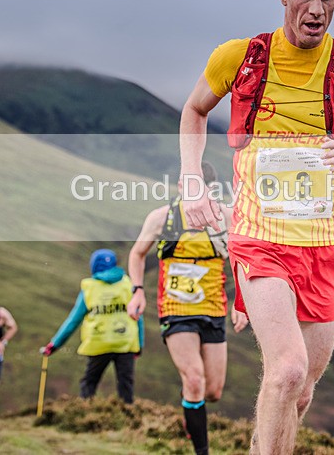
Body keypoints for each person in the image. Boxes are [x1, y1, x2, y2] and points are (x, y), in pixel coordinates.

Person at [176, 0, 334, 453]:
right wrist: (192, 181)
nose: (316, 10)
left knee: (298, 394)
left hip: (323, 248)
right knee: (286, 371)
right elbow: (193, 112)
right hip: (259, 240)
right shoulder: (240, 57)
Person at [127, 162, 248, 455]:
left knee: (212, 391)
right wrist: (137, 291)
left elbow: (243, 260)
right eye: (183, 186)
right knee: (194, 378)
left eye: (195, 187)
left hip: (213, 307)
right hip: (175, 308)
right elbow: (137, 253)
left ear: (210, 189)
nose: (186, 192)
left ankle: (189, 401)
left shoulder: (226, 217)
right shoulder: (162, 219)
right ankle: (201, 451)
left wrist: (241, 302)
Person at [41, 249, 143, 404]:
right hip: (125, 342)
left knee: (89, 383)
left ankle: (84, 414)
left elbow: (73, 320)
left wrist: (54, 344)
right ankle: (129, 420)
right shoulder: (128, 284)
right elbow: (138, 316)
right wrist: (139, 345)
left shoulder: (90, 288)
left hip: (98, 342)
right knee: (125, 385)